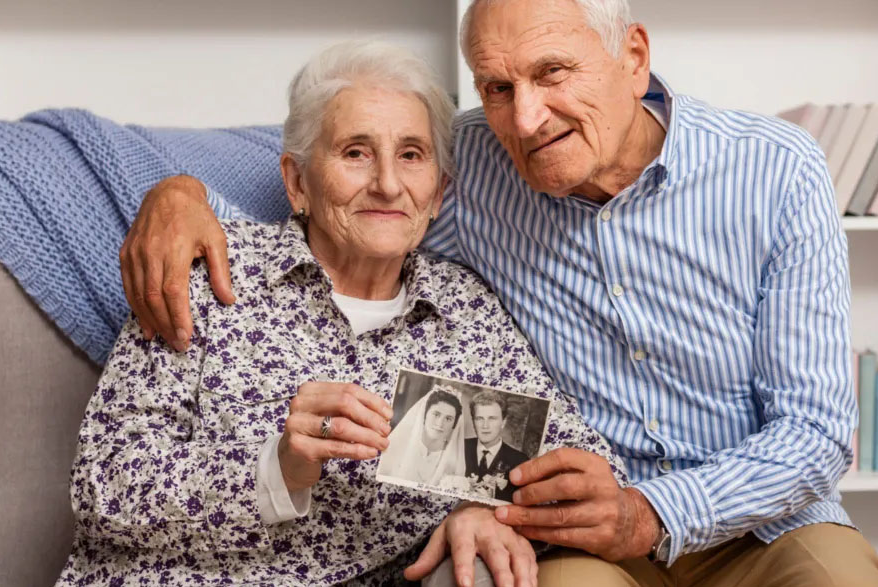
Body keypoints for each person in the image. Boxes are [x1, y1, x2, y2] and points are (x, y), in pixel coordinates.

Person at [120, 0, 878, 585]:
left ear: (633, 57)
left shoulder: (778, 170)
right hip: (574, 533)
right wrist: (180, 193)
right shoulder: (476, 167)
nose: (524, 119)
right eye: (496, 87)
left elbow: (817, 432)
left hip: (756, 523)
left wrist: (653, 513)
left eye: (551, 73)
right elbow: (344, 189)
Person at [58, 39, 628, 587]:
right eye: (355, 152)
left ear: (437, 194)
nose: (386, 183)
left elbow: (587, 471)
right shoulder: (212, 275)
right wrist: (273, 469)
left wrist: (490, 511)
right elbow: (101, 486)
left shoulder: (466, 311)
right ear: (297, 182)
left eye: (411, 155)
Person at [378, 385, 467, 485]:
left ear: (454, 425)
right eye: (436, 414)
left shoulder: (453, 462)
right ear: (424, 415)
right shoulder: (398, 447)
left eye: (448, 419)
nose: (440, 423)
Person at [464, 391, 527, 502]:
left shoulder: (520, 461)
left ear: (503, 422)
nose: (485, 426)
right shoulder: (460, 447)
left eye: (492, 418)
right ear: (473, 422)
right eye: (479, 418)